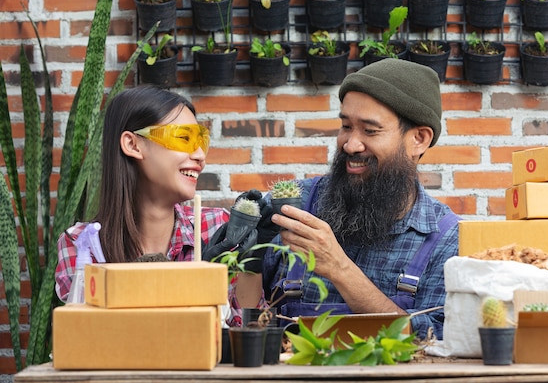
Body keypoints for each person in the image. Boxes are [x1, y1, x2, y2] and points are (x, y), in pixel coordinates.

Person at [231, 59, 460, 339]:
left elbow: (439, 342)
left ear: (419, 139)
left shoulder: (447, 239)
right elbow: (238, 321)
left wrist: (340, 269)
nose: (351, 144)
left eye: (370, 130)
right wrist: (243, 262)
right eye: (346, 126)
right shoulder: (292, 205)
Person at [55, 85, 270, 302]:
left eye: (200, 142)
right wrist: (197, 284)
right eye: (183, 139)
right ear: (133, 145)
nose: (199, 156)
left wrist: (252, 265)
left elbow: (244, 328)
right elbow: (91, 331)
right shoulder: (83, 243)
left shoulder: (215, 227)